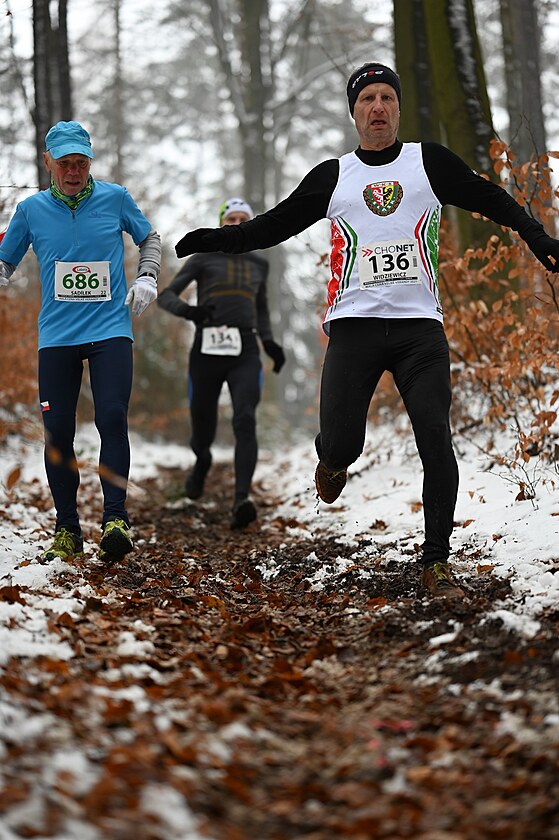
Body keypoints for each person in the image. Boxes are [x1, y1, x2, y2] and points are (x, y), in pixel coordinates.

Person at [173, 63, 559, 599]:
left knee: (436, 440)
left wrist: (538, 237)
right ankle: (330, 459)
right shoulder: (334, 176)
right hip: (352, 331)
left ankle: (437, 561)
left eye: (387, 98)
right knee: (341, 443)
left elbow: (492, 199)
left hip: (419, 330)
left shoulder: (429, 164)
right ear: (354, 112)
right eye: (367, 100)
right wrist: (219, 240)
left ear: (398, 108)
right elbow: (273, 224)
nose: (378, 108)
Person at [0, 120, 161, 562]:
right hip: (57, 336)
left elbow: (149, 236)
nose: (74, 171)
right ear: (48, 161)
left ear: (91, 162)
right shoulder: (31, 210)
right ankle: (67, 527)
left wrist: (147, 276)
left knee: (111, 417)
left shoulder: (115, 197)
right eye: (66, 163)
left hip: (110, 330)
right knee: (58, 433)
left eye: (82, 162)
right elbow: (4, 261)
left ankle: (115, 518)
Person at [158, 197, 285, 529]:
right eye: (231, 218)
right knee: (203, 427)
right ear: (221, 223)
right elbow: (167, 295)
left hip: (245, 349)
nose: (236, 223)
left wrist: (269, 342)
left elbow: (262, 309)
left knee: (245, 418)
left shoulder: (259, 263)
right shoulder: (203, 257)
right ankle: (202, 461)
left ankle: (241, 498)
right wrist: (191, 312)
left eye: (243, 219)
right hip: (207, 349)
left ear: (249, 224)